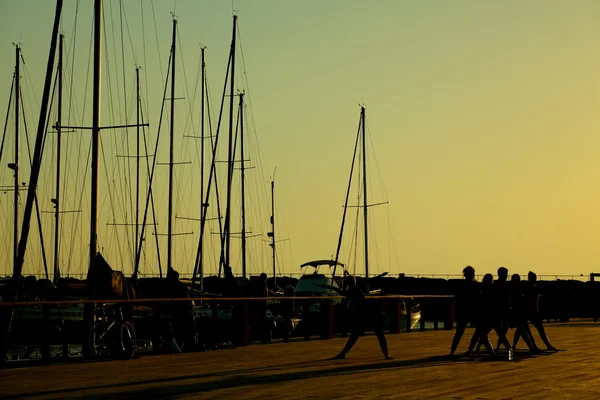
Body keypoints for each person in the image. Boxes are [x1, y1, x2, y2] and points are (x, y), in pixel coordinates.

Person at [318, 274, 391, 360]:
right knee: (379, 334)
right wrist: (380, 275)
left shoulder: (348, 293)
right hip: (368, 313)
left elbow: (337, 290)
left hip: (361, 314)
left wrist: (325, 286)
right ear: (353, 282)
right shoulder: (357, 289)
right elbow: (369, 280)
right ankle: (386, 355)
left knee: (355, 336)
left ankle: (342, 354)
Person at [450, 266, 480, 356]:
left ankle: (452, 352)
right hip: (470, 311)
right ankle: (470, 350)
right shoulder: (475, 285)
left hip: (464, 311)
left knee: (459, 333)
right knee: (479, 332)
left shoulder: (461, 285)